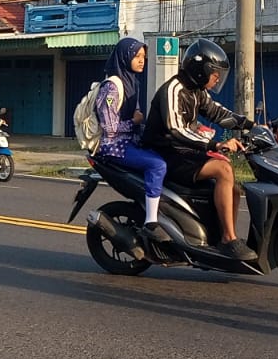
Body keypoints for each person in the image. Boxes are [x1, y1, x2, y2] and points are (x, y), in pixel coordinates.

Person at [141, 39, 257, 261]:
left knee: (233, 187)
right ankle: (229, 240)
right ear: (201, 70)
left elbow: (218, 113)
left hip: (184, 152)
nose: (216, 79)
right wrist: (216, 144)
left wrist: (252, 126)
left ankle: (221, 233)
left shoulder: (196, 91)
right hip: (167, 154)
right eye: (214, 74)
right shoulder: (173, 90)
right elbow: (176, 131)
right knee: (223, 169)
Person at [94, 37, 170, 242]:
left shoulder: (132, 82)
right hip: (113, 147)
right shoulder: (111, 87)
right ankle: (151, 222)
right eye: (137, 56)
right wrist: (134, 122)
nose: (141, 61)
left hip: (130, 141)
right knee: (157, 165)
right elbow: (109, 129)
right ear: (125, 57)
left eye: (143, 57)